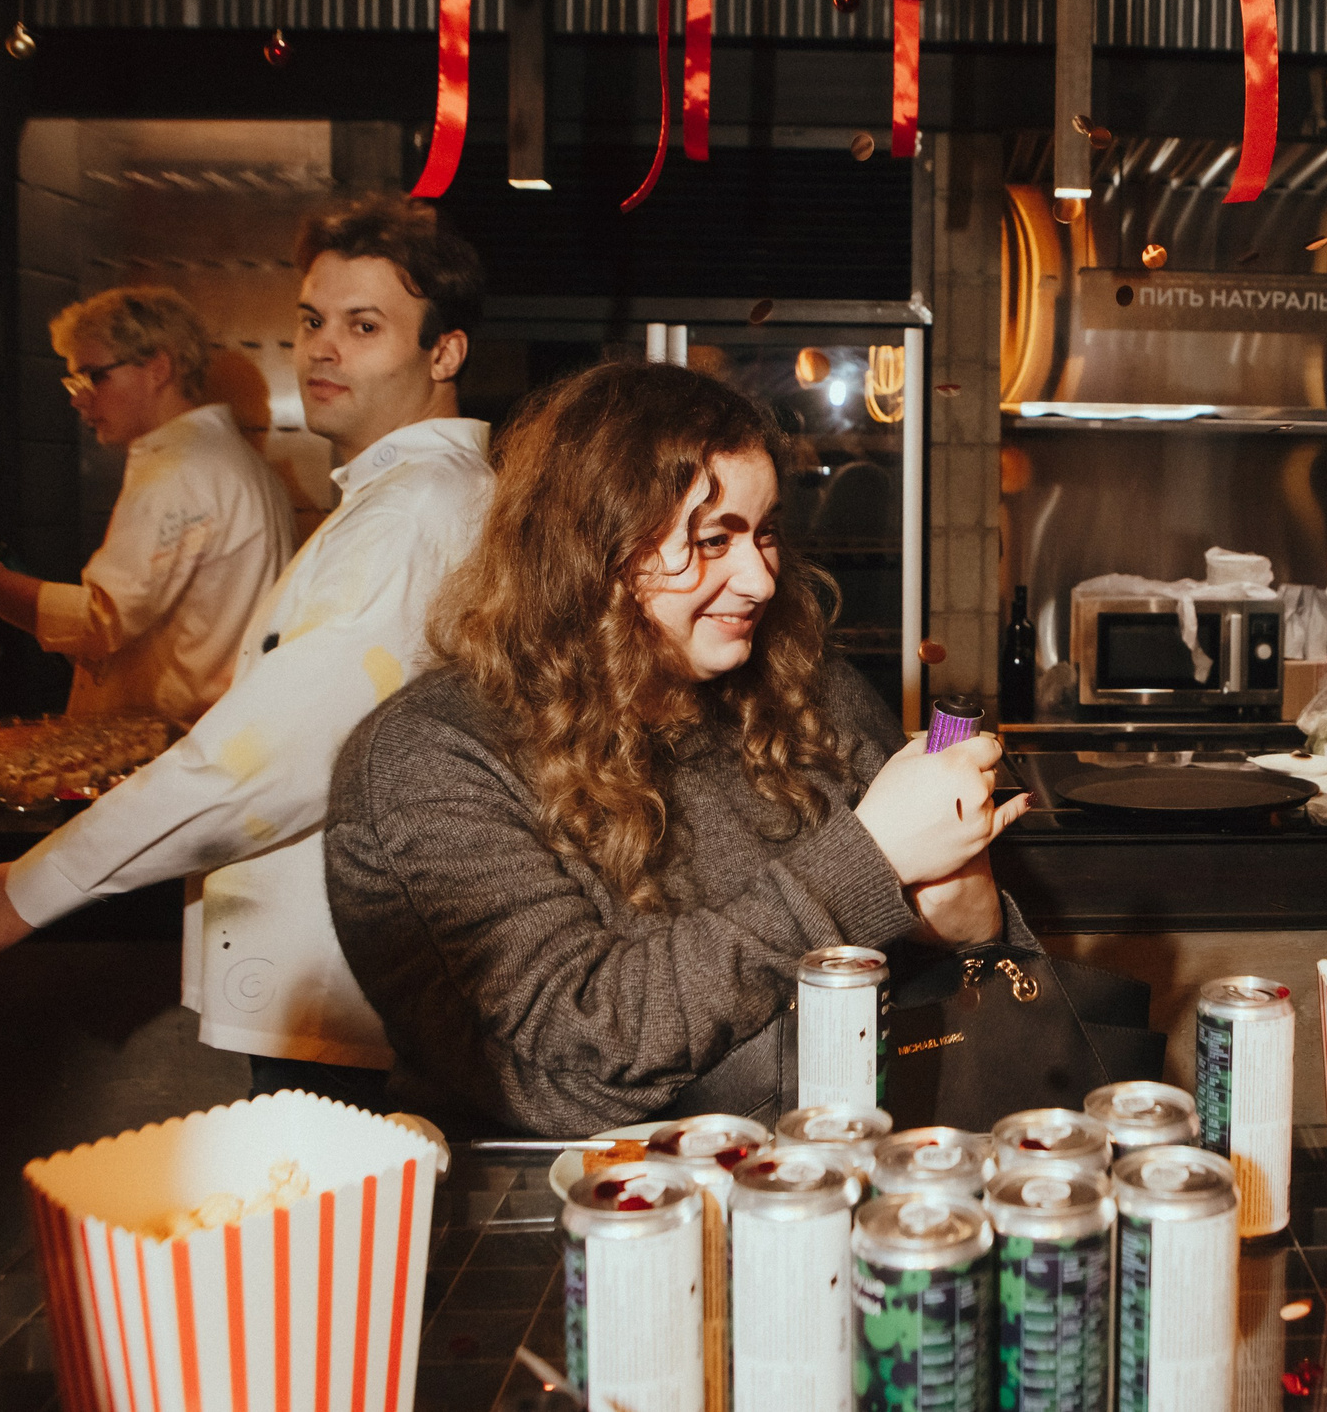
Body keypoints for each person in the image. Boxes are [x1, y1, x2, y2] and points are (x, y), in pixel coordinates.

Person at [325, 362, 1033, 1134]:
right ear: (591, 547)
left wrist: (978, 926)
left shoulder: (806, 688)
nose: (760, 579)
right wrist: (872, 860)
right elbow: (574, 1071)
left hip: (849, 1169)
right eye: (712, 539)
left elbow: (969, 1007)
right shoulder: (432, 755)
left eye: (765, 532)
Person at [0, 196, 495, 1113]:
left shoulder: (409, 512)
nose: (322, 349)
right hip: (349, 978)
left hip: (343, 989)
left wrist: (35, 885)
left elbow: (267, 763)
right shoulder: (412, 493)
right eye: (311, 320)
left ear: (445, 352)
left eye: (364, 326)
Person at [0, 286, 292, 727]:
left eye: (93, 376)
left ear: (158, 368)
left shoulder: (177, 469)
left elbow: (98, 623)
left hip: (177, 744)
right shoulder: (235, 459)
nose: (77, 397)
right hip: (218, 733)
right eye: (74, 380)